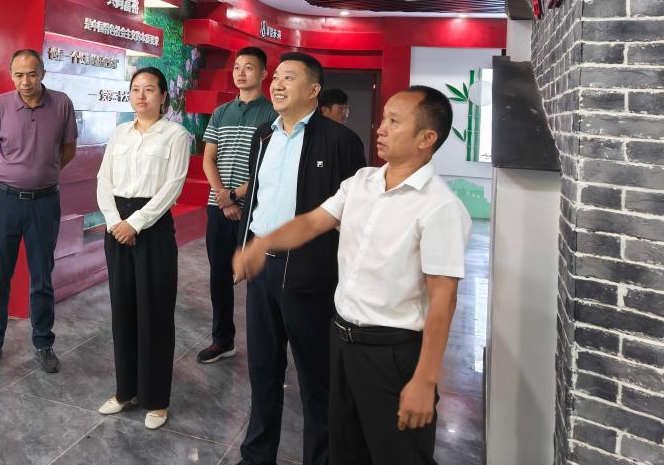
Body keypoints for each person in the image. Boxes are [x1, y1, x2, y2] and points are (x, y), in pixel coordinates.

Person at [234, 86, 472, 465]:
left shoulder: (440, 206)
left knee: (397, 455)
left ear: (427, 138)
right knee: (345, 450)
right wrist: (261, 244)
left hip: (393, 354)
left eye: (394, 121)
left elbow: (444, 300)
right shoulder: (362, 181)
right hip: (342, 342)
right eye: (385, 118)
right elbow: (312, 222)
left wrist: (425, 380)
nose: (380, 127)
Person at [236, 52, 366, 465]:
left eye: (288, 77)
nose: (276, 84)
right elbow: (256, 200)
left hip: (310, 273)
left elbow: (353, 216)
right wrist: (245, 247)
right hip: (262, 269)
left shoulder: (341, 141)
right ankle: (257, 456)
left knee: (317, 380)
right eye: (275, 77)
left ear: (313, 90)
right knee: (262, 370)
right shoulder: (264, 136)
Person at [96, 67, 190, 431]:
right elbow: (103, 179)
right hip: (116, 225)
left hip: (152, 227)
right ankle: (126, 391)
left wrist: (134, 224)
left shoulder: (176, 135)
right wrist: (114, 222)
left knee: (155, 312)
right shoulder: (120, 132)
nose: (141, 95)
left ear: (163, 96)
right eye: (135, 89)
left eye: (149, 89)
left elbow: (172, 187)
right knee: (123, 310)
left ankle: (156, 400)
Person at [0, 49, 77, 375]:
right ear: (12, 75)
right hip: (4, 201)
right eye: (19, 75)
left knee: (42, 277)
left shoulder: (61, 104)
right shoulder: (1, 105)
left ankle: (43, 343)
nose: (25, 81)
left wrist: (43, 172)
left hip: (44, 203)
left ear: (42, 74)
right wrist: (13, 174)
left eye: (31, 74)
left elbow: (69, 149)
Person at [198, 47, 276, 364]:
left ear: (264, 73)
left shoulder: (273, 114)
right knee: (219, 276)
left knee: (259, 280)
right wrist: (223, 196)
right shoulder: (221, 113)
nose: (241, 73)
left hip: (254, 209)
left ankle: (264, 347)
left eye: (249, 67)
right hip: (219, 206)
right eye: (237, 67)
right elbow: (208, 159)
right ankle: (222, 340)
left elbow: (269, 166)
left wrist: (235, 195)